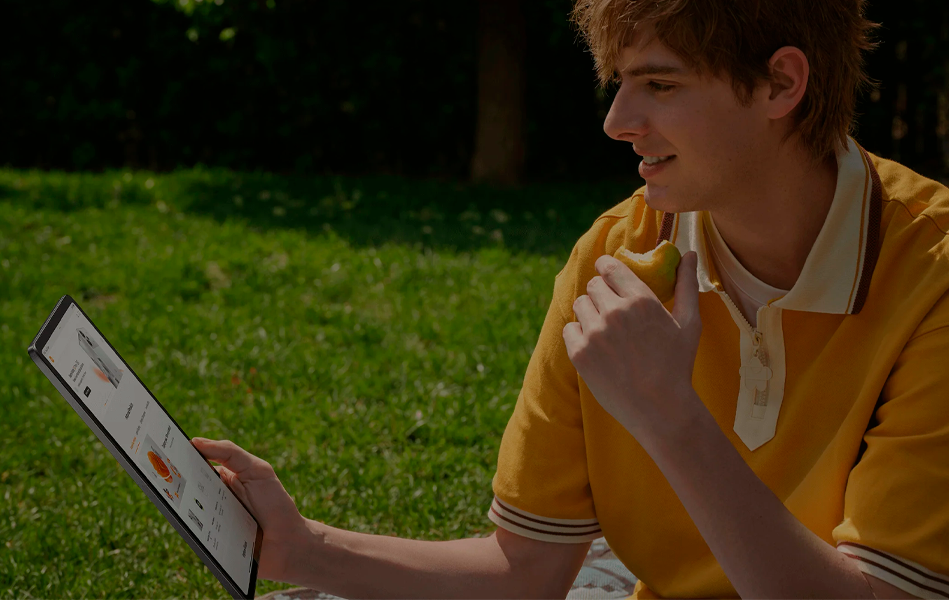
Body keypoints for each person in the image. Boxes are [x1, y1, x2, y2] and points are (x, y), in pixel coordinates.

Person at [193, 0, 949, 597]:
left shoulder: (933, 276)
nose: (617, 122)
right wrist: (304, 547)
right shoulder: (613, 258)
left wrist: (670, 416)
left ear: (781, 83)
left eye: (660, 84)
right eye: (619, 82)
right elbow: (525, 574)